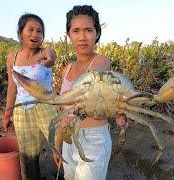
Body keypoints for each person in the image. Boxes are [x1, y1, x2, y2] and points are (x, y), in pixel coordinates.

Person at [54, 5, 127, 180]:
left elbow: (94, 78)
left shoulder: (101, 61)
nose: (82, 37)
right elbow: (62, 111)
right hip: (68, 139)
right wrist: (58, 145)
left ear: (97, 33)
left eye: (88, 30)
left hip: (93, 139)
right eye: (76, 31)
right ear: (68, 35)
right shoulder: (66, 70)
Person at [3, 13, 58, 180]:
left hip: (45, 106)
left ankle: (68, 174)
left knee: (61, 144)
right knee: (28, 154)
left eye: (40, 31)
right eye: (31, 29)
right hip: (22, 110)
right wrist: (7, 114)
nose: (35, 34)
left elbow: (51, 57)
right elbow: (12, 88)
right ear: (21, 32)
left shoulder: (45, 52)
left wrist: (49, 60)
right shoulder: (12, 58)